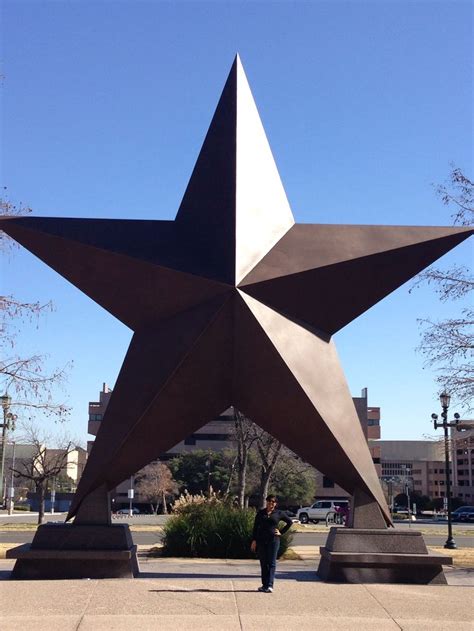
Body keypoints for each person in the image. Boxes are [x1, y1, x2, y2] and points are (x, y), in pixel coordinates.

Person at [250, 494, 293, 593]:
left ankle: (270, 585)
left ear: (275, 503)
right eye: (269, 501)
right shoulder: (261, 513)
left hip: (273, 541)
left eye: (273, 502)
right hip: (261, 541)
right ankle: (264, 585)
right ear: (267, 502)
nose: (271, 503)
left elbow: (289, 522)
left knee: (271, 563)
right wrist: (254, 540)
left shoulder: (279, 513)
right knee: (263, 563)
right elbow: (255, 527)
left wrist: (281, 532)